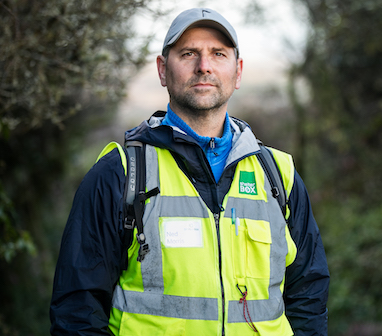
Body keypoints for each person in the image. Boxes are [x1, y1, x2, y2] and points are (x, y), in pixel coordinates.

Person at [50, 8, 329, 336]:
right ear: (162, 70)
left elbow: (308, 295)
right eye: (188, 53)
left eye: (218, 54)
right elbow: (77, 313)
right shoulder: (120, 174)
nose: (204, 66)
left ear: (238, 72)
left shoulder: (279, 176)